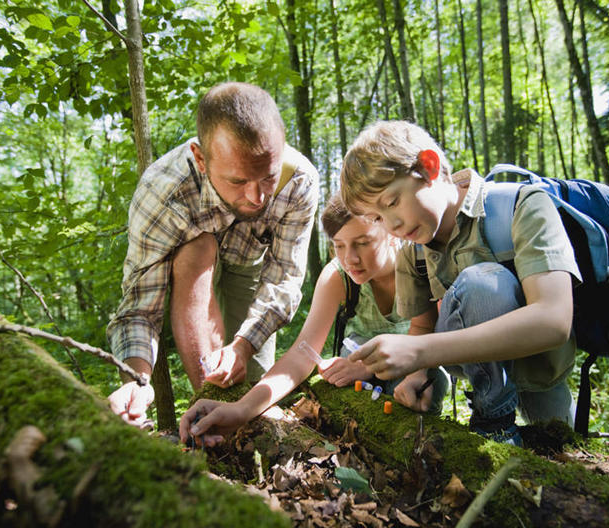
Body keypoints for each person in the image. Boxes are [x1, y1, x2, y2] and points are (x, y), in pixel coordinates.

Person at [339, 120, 582, 445]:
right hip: (482, 378)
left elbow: (554, 320)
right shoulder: (413, 252)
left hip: (540, 368)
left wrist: (419, 352)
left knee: (565, 447)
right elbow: (422, 326)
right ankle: (494, 423)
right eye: (378, 218)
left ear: (429, 166)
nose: (392, 225)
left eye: (393, 202)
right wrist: (417, 374)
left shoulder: (522, 206)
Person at [106, 82, 319, 427]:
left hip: (249, 268)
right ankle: (209, 410)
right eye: (238, 181)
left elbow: (284, 277)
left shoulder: (299, 181)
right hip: (191, 271)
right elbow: (140, 307)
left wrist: (243, 346)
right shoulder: (163, 193)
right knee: (198, 247)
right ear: (201, 159)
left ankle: (248, 434)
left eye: (268, 177)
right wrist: (137, 380)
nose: (257, 198)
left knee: (253, 390)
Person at [180, 195, 448, 447]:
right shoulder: (338, 276)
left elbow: (431, 335)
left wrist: (369, 368)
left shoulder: (418, 265)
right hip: (355, 363)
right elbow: (302, 355)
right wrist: (241, 409)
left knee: (427, 386)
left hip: (416, 362)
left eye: (363, 243)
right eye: (339, 245)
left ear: (391, 232)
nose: (350, 259)